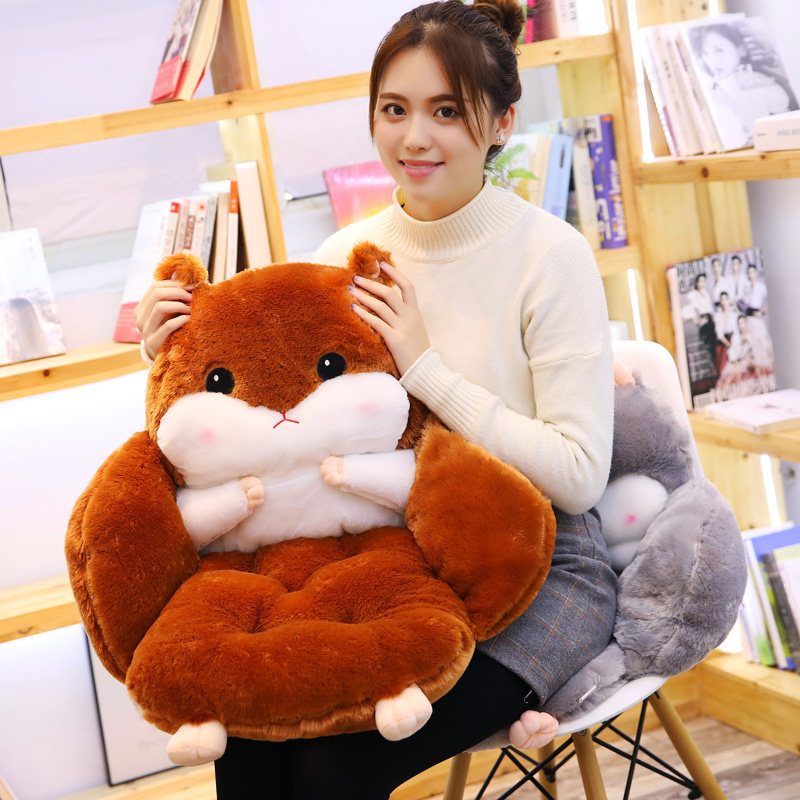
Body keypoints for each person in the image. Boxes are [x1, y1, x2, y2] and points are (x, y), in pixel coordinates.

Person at [134, 2, 617, 797]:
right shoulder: (347, 257)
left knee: (332, 770)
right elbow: (281, 430)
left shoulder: (550, 256)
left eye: (447, 111)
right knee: (250, 729)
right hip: (385, 562)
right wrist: (169, 354)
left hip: (538, 566)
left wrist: (424, 366)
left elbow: (578, 477)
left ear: (502, 122)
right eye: (394, 110)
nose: (414, 138)